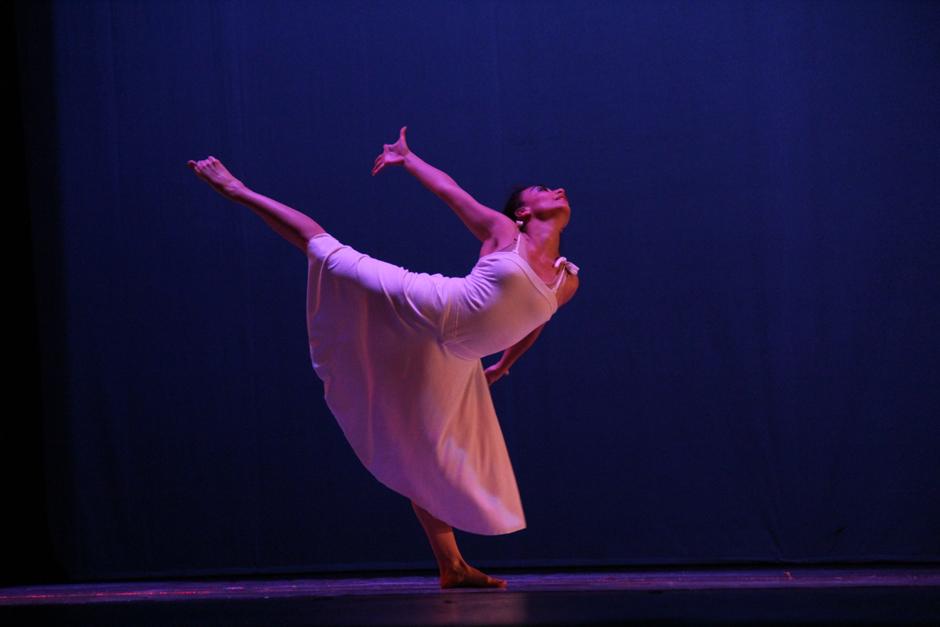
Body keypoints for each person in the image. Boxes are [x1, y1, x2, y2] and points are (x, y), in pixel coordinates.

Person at [187, 126, 579, 589]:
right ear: (524, 212)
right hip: (432, 305)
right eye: (542, 190)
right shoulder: (501, 232)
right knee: (324, 248)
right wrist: (409, 160)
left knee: (426, 450)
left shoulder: (566, 279)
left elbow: (533, 323)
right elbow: (450, 191)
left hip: (460, 352)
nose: (557, 188)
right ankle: (238, 190)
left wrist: (503, 365)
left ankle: (451, 567)